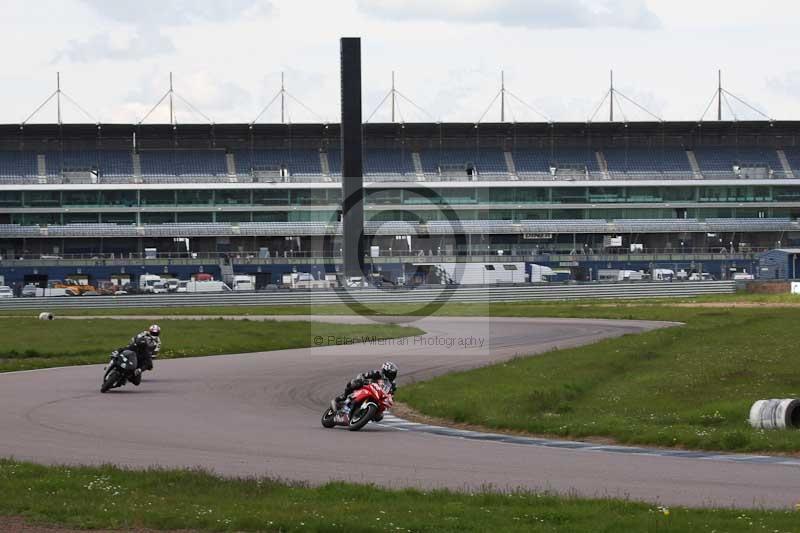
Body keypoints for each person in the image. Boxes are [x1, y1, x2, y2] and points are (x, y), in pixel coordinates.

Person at [333, 361, 398, 417]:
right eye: (391, 373)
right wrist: (362, 379)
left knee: (379, 416)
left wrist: (390, 399)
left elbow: (391, 395)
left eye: (394, 374)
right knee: (355, 383)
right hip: (368, 388)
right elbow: (363, 375)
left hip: (378, 397)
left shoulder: (393, 385)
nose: (392, 375)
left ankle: (365, 415)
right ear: (385, 371)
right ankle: (343, 397)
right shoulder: (377, 373)